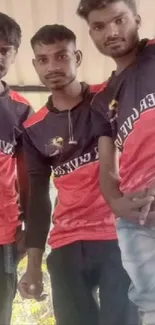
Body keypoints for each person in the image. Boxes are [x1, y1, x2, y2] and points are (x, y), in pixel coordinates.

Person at [18, 24, 139, 325]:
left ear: (78, 57)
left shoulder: (110, 97)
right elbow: (38, 200)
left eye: (61, 56)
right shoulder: (34, 129)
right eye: (43, 59)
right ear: (34, 65)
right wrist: (33, 266)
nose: (52, 66)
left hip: (118, 238)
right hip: (66, 245)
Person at [77, 0, 155, 324]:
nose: (110, 32)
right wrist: (116, 204)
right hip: (136, 218)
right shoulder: (100, 101)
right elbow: (107, 166)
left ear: (136, 19)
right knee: (150, 304)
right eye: (98, 26)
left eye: (119, 20)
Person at [0, 12, 33, 325]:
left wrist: (28, 231)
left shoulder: (21, 109)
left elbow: (29, 179)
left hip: (4, 238)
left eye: (5, 49)